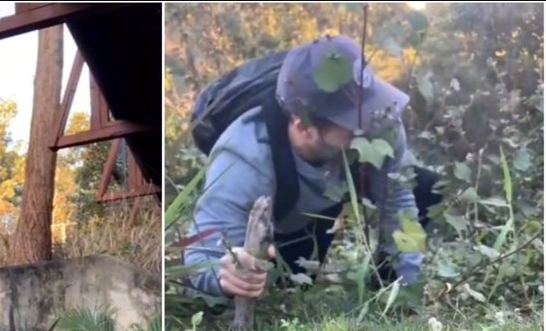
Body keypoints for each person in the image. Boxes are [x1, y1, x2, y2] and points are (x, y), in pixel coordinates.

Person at [183, 35, 443, 301]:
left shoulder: (381, 120)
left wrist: (407, 289)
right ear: (303, 126)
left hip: (328, 197)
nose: (373, 126)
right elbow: (201, 260)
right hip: (284, 219)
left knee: (425, 186)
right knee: (287, 294)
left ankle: (386, 289)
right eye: (355, 121)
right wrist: (225, 275)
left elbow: (397, 202)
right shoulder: (246, 156)